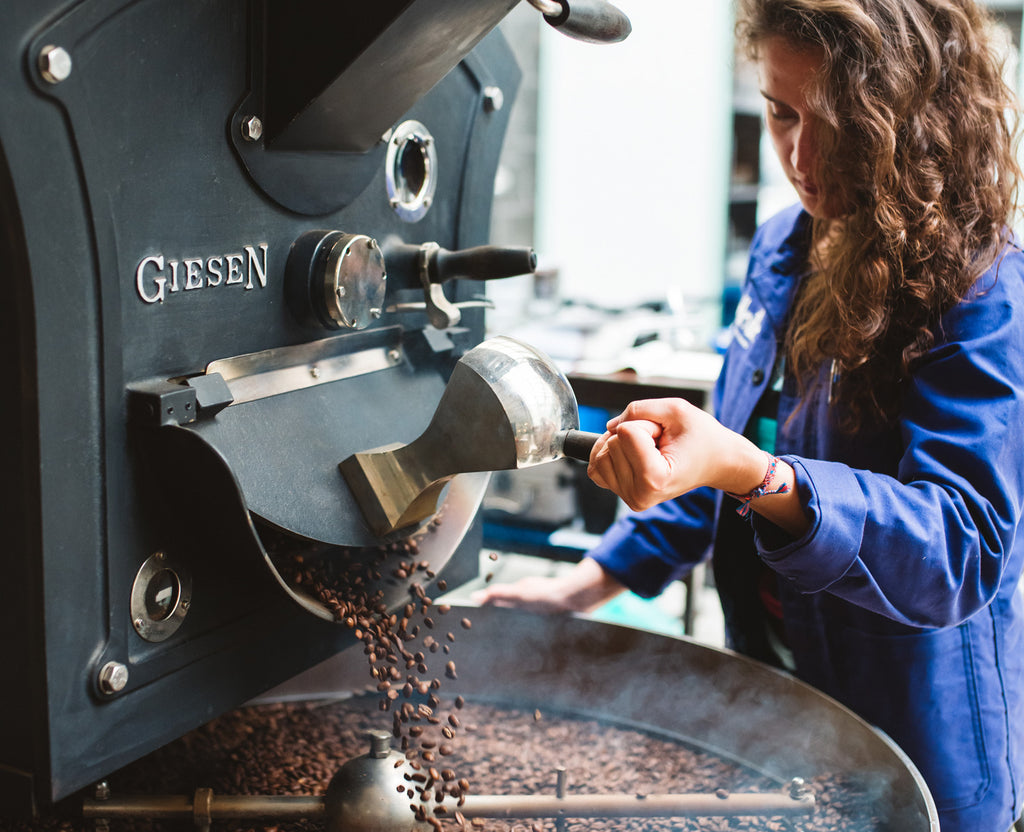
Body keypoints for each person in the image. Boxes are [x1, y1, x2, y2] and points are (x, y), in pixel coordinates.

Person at [476, 1, 1024, 829]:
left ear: (911, 119)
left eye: (837, 123)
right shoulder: (785, 248)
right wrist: (582, 590)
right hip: (773, 699)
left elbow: (962, 545)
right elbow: (713, 476)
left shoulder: (980, 290)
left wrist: (757, 475)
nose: (801, 158)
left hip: (918, 731)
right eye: (780, 112)